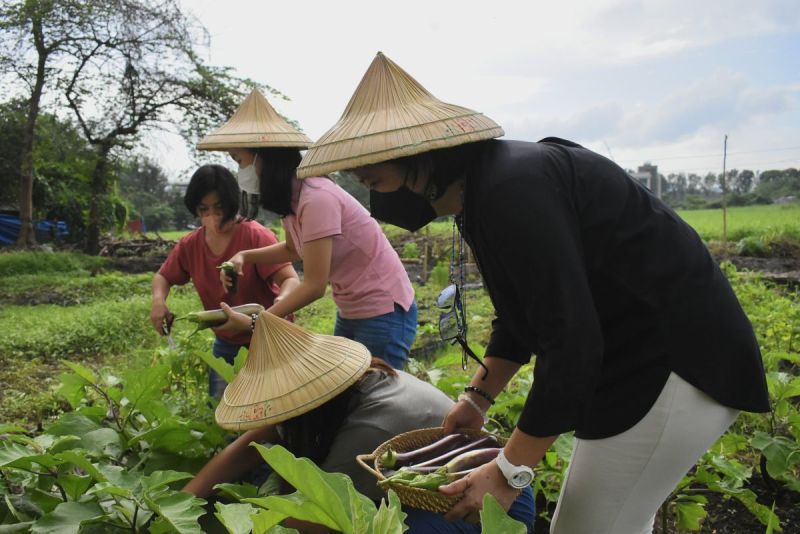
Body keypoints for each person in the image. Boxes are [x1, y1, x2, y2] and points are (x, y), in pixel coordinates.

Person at [293, 52, 772, 533]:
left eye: (372, 173)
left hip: (675, 366)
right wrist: (478, 398)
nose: (366, 187)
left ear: (417, 157)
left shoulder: (511, 189)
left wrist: (508, 470)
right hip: (637, 363)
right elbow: (519, 318)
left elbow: (571, 338)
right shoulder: (486, 191)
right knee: (615, 521)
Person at [184, 310, 536, 533]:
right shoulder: (342, 389)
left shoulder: (369, 428)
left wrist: (243, 522)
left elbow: (310, 520)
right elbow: (252, 446)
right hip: (429, 492)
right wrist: (187, 500)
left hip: (490, 505)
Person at [197, 89, 417, 370]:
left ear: (263, 158)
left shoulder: (316, 198)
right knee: (353, 392)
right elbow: (292, 250)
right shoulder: (294, 200)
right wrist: (245, 256)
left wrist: (258, 322)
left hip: (383, 309)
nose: (239, 171)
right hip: (352, 309)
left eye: (239, 160)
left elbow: (314, 286)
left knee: (377, 400)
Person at [150, 164, 299, 397]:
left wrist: (278, 303)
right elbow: (163, 276)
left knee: (272, 413)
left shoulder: (255, 235)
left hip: (268, 339)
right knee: (224, 414)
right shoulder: (191, 245)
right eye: (204, 210)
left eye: (219, 208)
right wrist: (159, 302)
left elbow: (290, 279)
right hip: (226, 342)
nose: (212, 217)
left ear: (232, 204)